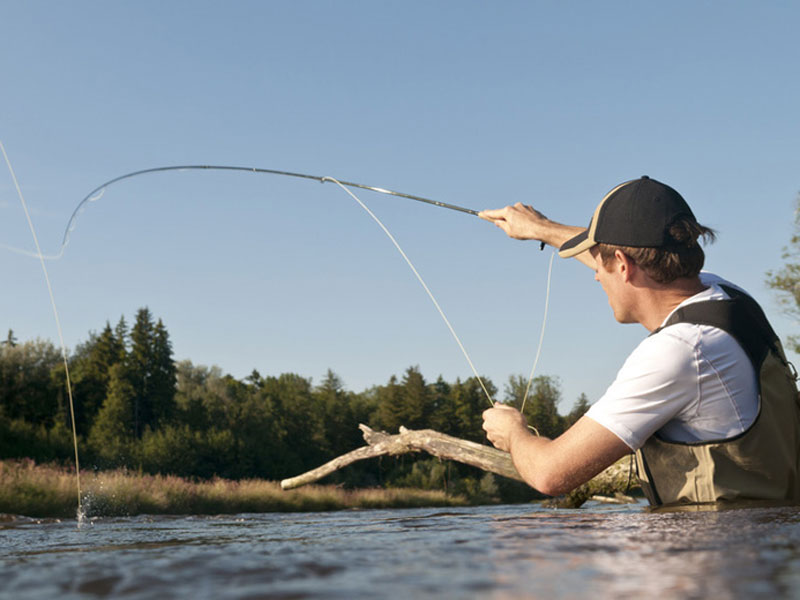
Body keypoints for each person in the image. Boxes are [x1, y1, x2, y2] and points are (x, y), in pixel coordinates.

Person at [479, 176, 800, 506]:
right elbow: (629, 261)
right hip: (770, 544)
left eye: (600, 265)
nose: (594, 274)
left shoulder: (680, 351)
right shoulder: (731, 299)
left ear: (621, 264)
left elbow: (550, 473)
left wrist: (514, 434)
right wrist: (541, 228)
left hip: (718, 552)